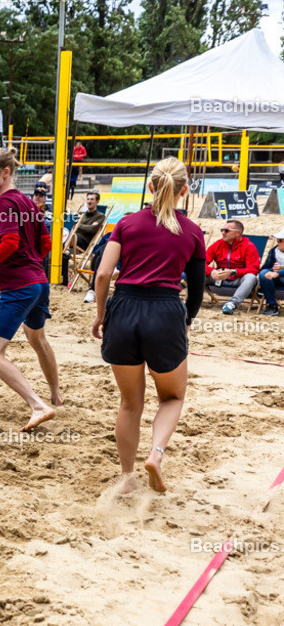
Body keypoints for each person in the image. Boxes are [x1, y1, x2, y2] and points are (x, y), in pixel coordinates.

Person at [90, 157, 206, 494]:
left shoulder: (127, 223)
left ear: (151, 187)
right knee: (171, 397)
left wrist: (101, 314)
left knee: (129, 404)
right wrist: (185, 322)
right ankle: (155, 454)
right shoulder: (193, 232)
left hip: (124, 308)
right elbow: (196, 293)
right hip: (165, 310)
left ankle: (127, 477)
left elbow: (102, 275)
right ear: (185, 191)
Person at [0, 147, 60, 431]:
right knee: (38, 340)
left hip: (21, 286)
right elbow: (44, 245)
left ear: (6, 173)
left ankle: (39, 405)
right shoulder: (29, 203)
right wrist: (7, 270)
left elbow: (10, 243)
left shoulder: (4, 204)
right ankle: (56, 395)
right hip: (38, 282)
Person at [205, 219, 261, 315]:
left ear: (238, 233)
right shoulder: (217, 245)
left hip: (238, 279)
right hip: (218, 278)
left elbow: (254, 269)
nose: (223, 233)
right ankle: (191, 300)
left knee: (251, 277)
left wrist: (233, 272)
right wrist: (212, 272)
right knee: (196, 272)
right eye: (222, 230)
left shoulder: (249, 246)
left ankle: (232, 303)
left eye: (226, 231)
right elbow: (200, 263)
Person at [258, 229, 284, 316]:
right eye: (277, 240)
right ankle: (272, 306)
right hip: (277, 279)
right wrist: (271, 268)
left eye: (281, 240)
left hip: (280, 276)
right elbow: (265, 266)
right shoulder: (274, 251)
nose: (278, 242)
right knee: (264, 274)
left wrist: (279, 272)